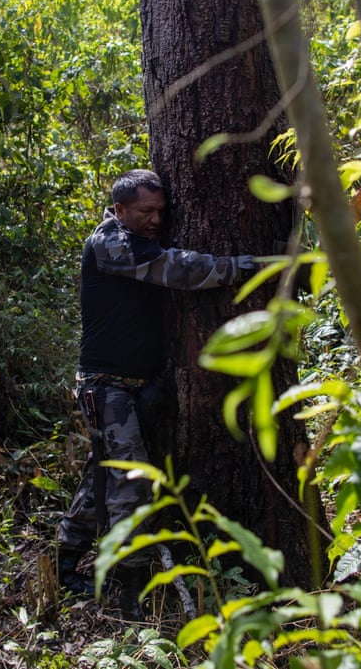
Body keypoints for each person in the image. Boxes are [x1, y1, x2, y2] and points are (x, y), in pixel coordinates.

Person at [56, 169, 257, 620]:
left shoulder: (137, 241)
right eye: (145, 211)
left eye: (160, 212)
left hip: (134, 388)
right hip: (106, 388)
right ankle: (132, 589)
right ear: (120, 209)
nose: (154, 220)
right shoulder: (109, 244)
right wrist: (241, 267)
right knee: (132, 482)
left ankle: (65, 560)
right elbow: (176, 269)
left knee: (102, 476)